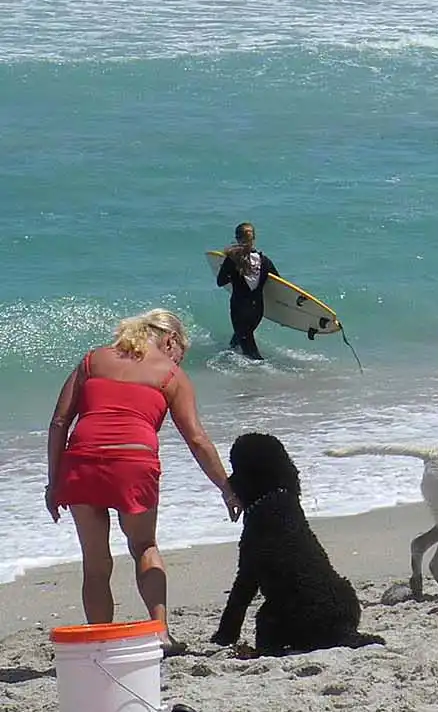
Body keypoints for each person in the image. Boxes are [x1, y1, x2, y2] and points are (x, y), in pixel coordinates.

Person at [45, 309, 240, 655]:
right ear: (170, 340)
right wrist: (226, 487)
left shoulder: (92, 360)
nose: (180, 359)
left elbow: (60, 422)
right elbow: (196, 439)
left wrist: (53, 482)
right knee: (144, 547)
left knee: (95, 561)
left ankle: (101, 642)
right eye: (182, 351)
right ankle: (160, 634)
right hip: (133, 463)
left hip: (82, 461)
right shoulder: (170, 375)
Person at [215, 222, 277, 360]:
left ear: (237, 238)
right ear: (253, 238)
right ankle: (230, 354)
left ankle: (264, 375)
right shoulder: (265, 261)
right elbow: (277, 284)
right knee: (239, 339)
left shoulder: (232, 260)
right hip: (257, 311)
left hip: (239, 309)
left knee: (251, 354)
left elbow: (220, 282)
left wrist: (231, 273)